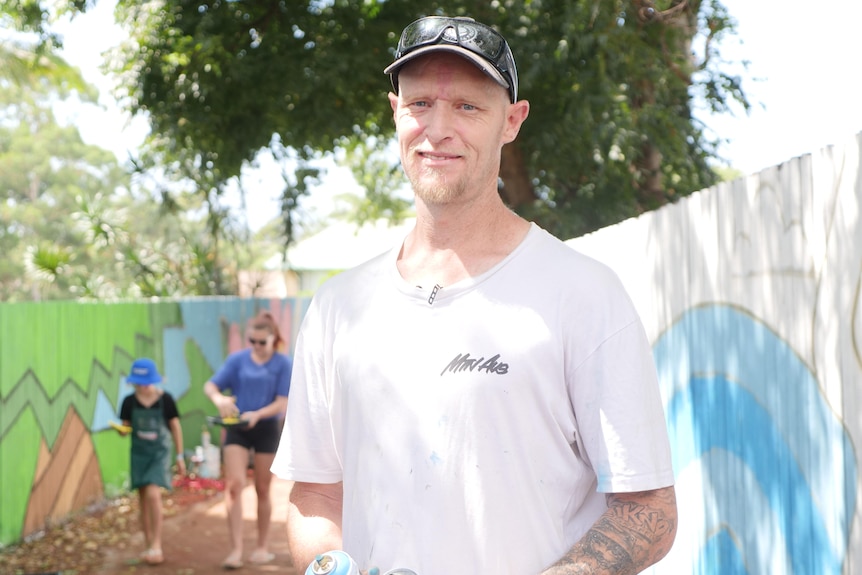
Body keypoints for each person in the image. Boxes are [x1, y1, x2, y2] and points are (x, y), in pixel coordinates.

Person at [272, 15, 677, 575]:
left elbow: (647, 509)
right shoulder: (339, 307)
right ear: (395, 112)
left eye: (468, 106)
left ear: (512, 121)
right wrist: (328, 566)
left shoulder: (582, 293)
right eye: (419, 105)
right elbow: (314, 493)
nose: (438, 129)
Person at [203, 310, 292, 570]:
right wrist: (219, 399)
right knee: (234, 485)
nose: (256, 346)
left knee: (262, 489)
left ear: (273, 339)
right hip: (237, 427)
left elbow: (282, 402)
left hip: (265, 428)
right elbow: (211, 386)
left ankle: (262, 547)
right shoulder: (237, 360)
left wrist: (258, 414)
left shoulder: (283, 363)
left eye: (261, 342)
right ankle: (236, 549)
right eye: (251, 341)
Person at [118, 357, 186, 566]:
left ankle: (156, 544)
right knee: (142, 499)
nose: (143, 386)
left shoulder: (166, 400)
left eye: (146, 382)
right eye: (139, 383)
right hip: (139, 454)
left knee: (153, 494)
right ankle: (148, 544)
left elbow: (175, 427)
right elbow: (126, 426)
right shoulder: (129, 402)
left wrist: (180, 456)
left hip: (159, 454)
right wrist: (121, 430)